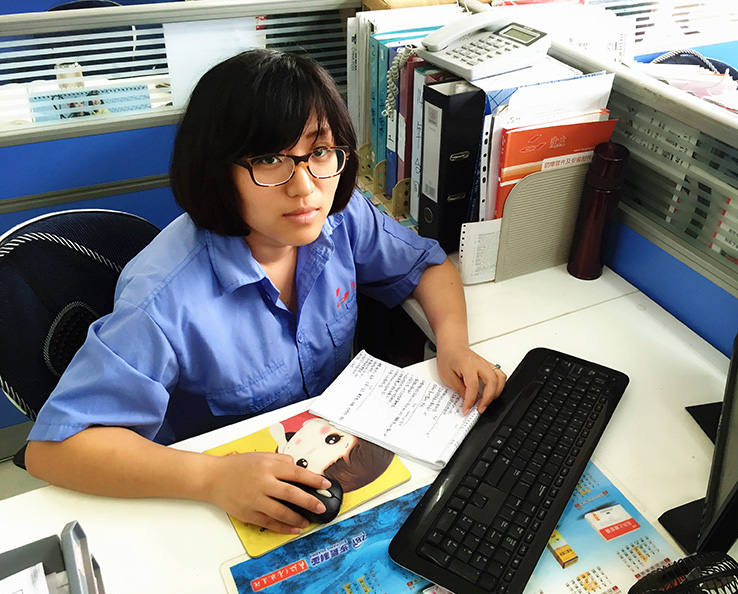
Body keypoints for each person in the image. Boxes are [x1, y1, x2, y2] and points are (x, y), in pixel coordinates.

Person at [25, 49, 506, 534]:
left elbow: (427, 265)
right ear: (217, 171)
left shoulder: (339, 217)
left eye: (320, 152)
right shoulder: (161, 299)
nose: (305, 188)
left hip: (333, 455)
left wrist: (452, 343)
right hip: (219, 500)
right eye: (271, 159)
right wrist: (211, 477)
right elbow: (54, 450)